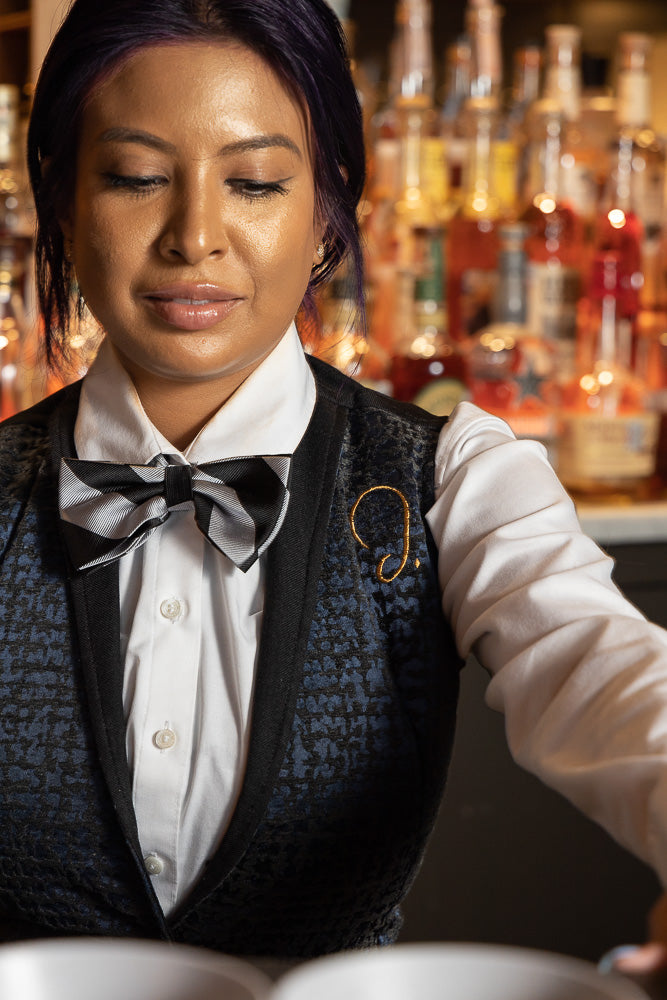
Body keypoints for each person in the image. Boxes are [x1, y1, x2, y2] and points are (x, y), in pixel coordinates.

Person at [1, 0, 667, 970]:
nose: (196, 235)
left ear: (324, 212)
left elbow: (607, 674)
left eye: (256, 182)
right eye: (137, 176)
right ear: (59, 200)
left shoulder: (451, 478)